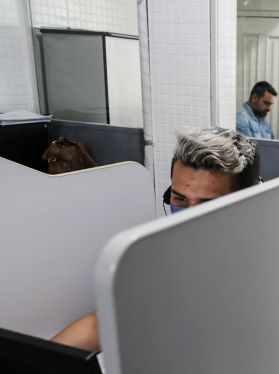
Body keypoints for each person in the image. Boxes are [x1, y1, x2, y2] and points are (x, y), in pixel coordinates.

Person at [51, 127, 262, 351]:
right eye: (180, 199)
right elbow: (101, 325)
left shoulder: (269, 265)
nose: (188, 217)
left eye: (208, 204)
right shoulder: (166, 257)